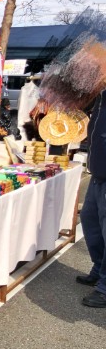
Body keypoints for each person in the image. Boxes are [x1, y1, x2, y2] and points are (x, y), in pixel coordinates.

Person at [78, 89, 106, 307]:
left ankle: (104, 288)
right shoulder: (100, 97)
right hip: (97, 175)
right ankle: (98, 269)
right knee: (90, 223)